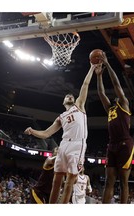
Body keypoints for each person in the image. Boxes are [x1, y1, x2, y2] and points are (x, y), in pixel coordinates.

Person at [24, 63, 96, 204]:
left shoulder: (79, 106)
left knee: (70, 180)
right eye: (67, 96)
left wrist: (92, 67)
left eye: (71, 95)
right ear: (63, 101)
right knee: (57, 179)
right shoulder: (61, 116)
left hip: (77, 144)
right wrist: (32, 131)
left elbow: (85, 84)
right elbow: (46, 134)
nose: (69, 96)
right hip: (63, 145)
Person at [95, 52, 134, 204]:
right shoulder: (110, 109)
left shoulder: (124, 104)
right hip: (112, 145)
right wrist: (98, 75)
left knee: (123, 182)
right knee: (109, 181)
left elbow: (116, 84)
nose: (116, 95)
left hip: (125, 143)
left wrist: (107, 64)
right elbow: (100, 92)